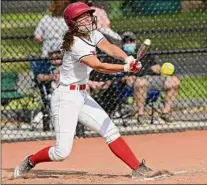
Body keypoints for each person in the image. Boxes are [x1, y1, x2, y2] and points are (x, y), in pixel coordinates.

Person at [13, 2, 167, 179]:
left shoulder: (92, 34)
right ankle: (31, 160)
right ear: (73, 23)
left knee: (110, 130)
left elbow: (109, 47)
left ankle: (137, 168)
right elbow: (98, 66)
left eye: (88, 15)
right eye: (83, 17)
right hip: (65, 98)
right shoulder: (76, 43)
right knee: (61, 152)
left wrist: (128, 58)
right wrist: (125, 69)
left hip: (81, 95)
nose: (88, 19)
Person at [120, 32, 180, 123]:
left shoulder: (144, 53)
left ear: (135, 42)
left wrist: (159, 69)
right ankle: (141, 115)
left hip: (152, 78)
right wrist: (125, 77)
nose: (129, 43)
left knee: (174, 81)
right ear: (122, 43)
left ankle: (165, 113)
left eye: (131, 41)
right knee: (141, 82)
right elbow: (118, 73)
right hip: (136, 80)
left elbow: (156, 66)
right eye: (126, 41)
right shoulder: (120, 55)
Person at [32, 0, 70, 131]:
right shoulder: (65, 20)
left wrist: (46, 38)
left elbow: (37, 37)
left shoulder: (46, 19)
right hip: (57, 54)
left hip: (50, 53)